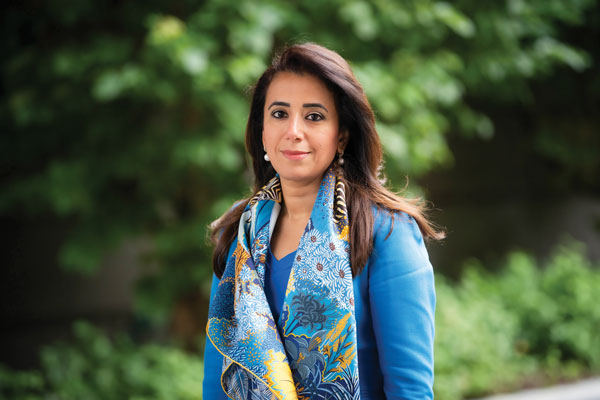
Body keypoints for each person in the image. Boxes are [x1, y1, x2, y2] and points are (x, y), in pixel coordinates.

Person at [203, 42, 444, 400]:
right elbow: (217, 379)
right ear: (262, 131)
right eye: (279, 114)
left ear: (341, 135)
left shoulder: (386, 231)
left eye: (314, 116)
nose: (293, 130)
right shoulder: (240, 231)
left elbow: (410, 390)